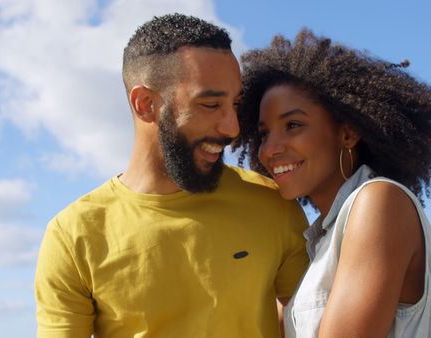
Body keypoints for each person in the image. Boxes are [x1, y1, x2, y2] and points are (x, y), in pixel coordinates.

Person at [34, 14, 309, 338]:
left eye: (235, 104)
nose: (232, 128)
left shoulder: (273, 204)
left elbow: (311, 323)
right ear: (145, 104)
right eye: (210, 104)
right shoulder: (72, 235)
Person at [234, 29, 431, 338]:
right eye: (264, 134)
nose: (270, 149)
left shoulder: (378, 201)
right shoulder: (319, 240)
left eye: (293, 125)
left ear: (348, 133)